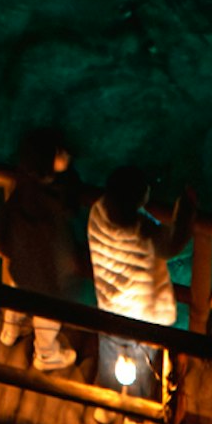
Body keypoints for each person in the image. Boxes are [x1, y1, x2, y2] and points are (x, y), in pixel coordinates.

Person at [1, 124, 90, 374]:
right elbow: (71, 206)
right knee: (48, 307)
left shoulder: (25, 182)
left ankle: (9, 330)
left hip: (21, 257)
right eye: (59, 154)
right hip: (46, 268)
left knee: (17, 290)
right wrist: (68, 172)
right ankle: (46, 353)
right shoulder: (57, 192)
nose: (66, 156)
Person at [86, 168, 181, 399]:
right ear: (140, 199)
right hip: (141, 318)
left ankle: (104, 407)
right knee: (140, 366)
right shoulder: (145, 230)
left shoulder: (97, 214)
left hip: (109, 309)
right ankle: (134, 423)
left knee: (110, 356)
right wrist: (185, 210)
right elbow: (173, 245)